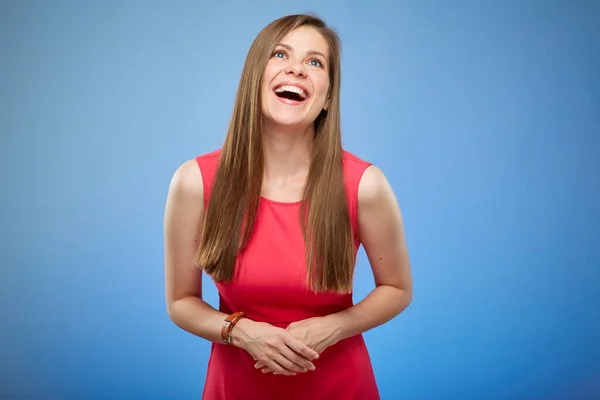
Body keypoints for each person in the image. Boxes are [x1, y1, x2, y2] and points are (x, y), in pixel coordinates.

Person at [164, 13, 412, 400]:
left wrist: (334, 327)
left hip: (342, 388)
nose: (297, 69)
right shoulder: (194, 181)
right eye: (281, 55)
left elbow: (397, 288)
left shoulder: (365, 184)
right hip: (235, 389)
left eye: (315, 62)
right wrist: (240, 331)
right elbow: (181, 302)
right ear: (254, 77)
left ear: (328, 96)